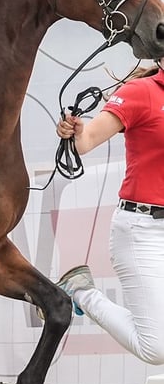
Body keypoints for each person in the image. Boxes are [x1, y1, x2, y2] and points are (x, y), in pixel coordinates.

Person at [55, 59, 164, 366]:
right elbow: (86, 141)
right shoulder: (140, 92)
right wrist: (74, 130)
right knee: (156, 348)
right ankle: (81, 292)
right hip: (142, 230)